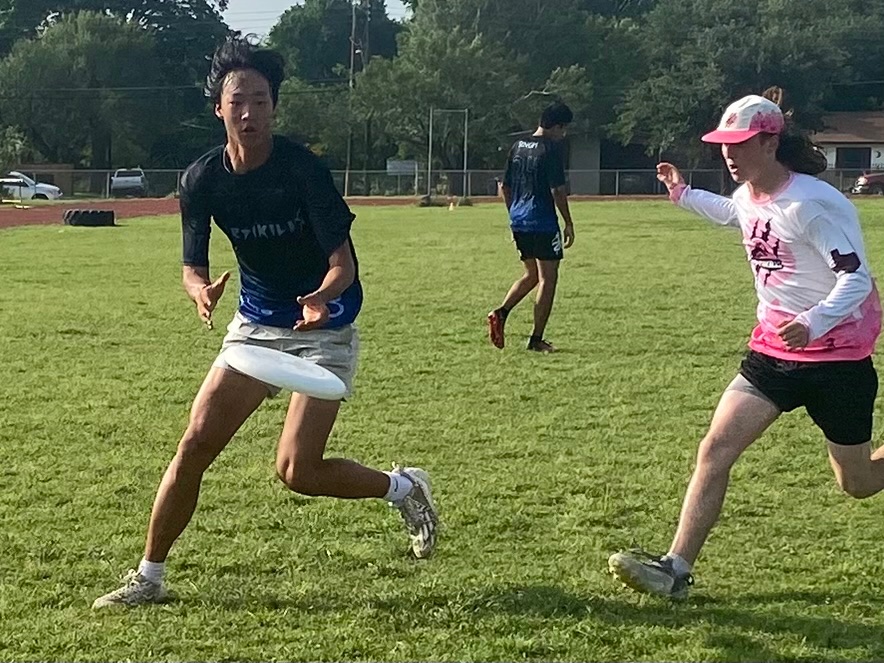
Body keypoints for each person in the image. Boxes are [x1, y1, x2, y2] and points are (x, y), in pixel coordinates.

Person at [93, 37, 439, 609]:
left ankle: (404, 488)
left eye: (260, 100)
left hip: (324, 323)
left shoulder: (303, 171)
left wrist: (319, 299)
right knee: (195, 443)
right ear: (219, 109)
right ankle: (148, 578)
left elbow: (343, 265)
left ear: (274, 108)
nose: (249, 112)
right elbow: (191, 266)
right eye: (238, 102)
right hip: (255, 324)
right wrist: (200, 291)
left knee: (298, 471)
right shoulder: (201, 179)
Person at [609, 88, 884, 599]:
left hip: (837, 360)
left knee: (859, 483)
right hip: (773, 355)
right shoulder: (749, 193)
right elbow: (736, 215)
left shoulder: (813, 204)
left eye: (739, 144)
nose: (729, 154)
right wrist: (683, 193)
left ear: (769, 142)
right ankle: (676, 570)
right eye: (723, 145)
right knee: (715, 448)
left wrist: (814, 321)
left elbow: (855, 278)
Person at [487, 101, 575, 353]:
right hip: (543, 222)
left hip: (519, 220)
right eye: (563, 128)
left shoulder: (518, 147)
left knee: (532, 274)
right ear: (556, 126)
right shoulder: (551, 149)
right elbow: (557, 190)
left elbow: (505, 186)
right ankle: (536, 339)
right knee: (548, 278)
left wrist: (513, 214)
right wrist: (568, 222)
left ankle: (501, 313)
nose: (564, 134)